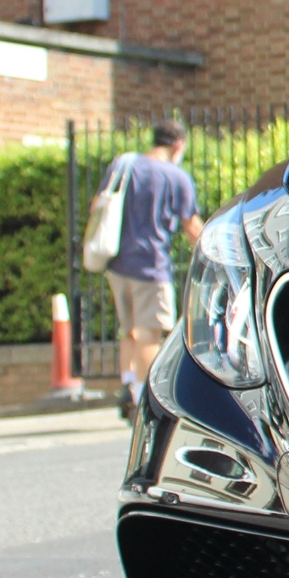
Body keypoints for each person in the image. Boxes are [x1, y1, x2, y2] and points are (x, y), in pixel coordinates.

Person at [103, 120, 202, 417]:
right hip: (151, 266)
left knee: (128, 331)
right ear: (178, 145)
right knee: (150, 334)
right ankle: (146, 398)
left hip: (117, 264)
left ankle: (127, 384)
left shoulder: (124, 165)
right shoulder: (176, 177)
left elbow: (100, 202)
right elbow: (192, 226)